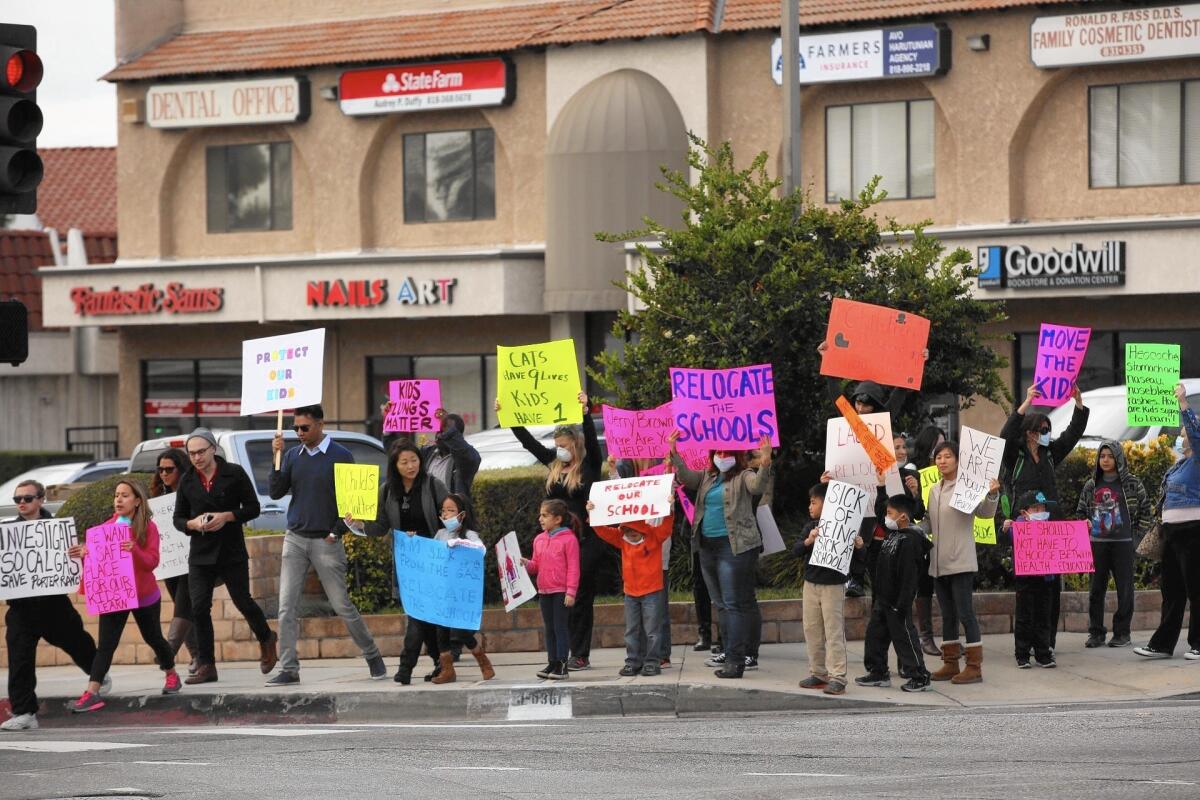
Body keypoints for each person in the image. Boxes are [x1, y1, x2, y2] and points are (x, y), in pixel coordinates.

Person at [268, 405, 386, 686]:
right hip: (295, 538)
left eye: (304, 428)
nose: (299, 433)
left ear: (321, 424)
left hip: (326, 540)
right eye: (295, 428)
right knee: (286, 607)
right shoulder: (293, 455)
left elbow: (353, 504)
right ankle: (289, 667)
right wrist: (278, 456)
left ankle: (372, 655)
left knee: (341, 604)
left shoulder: (341, 456)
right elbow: (275, 491)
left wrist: (336, 532)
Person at [497, 391, 604, 671]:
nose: (559, 449)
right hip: (556, 541)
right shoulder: (555, 464)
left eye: (564, 445)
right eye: (557, 445)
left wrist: (585, 411)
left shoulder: (589, 464)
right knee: (558, 599)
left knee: (579, 596)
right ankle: (559, 654)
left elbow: (593, 443)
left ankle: (580, 653)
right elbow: (528, 443)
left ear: (575, 444)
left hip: (584, 539)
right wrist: (507, 416)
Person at [1, 481, 109, 731]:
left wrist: (77, 552)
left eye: (27, 498)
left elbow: (82, 556)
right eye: (18, 499)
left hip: (53, 604)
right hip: (20, 607)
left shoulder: (59, 529)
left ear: (41, 500)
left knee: (77, 642)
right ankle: (24, 712)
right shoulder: (7, 534)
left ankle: (98, 675)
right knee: (19, 660)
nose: (22, 503)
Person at [173, 428, 277, 685]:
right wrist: (193, 524)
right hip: (200, 551)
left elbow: (253, 508)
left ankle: (266, 637)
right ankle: (207, 664)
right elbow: (178, 519)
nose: (196, 457)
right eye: (192, 453)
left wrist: (227, 516)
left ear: (213, 450)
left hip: (230, 549)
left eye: (201, 452)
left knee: (243, 600)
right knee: (198, 607)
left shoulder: (234, 473)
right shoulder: (187, 480)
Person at [68, 479, 181, 713]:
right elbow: (97, 563)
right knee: (106, 645)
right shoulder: (106, 528)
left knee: (154, 639)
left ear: (138, 501)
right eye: (117, 495)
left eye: (125, 495)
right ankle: (92, 692)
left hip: (144, 596)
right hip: (115, 595)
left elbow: (152, 562)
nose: (118, 499)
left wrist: (135, 550)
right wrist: (84, 553)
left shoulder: (148, 528)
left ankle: (171, 673)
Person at [669, 432, 773, 679]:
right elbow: (687, 478)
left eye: (726, 453)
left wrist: (766, 461)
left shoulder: (744, 475)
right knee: (723, 604)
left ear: (736, 456)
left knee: (735, 603)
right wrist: (674, 452)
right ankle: (730, 651)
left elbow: (758, 485)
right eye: (717, 452)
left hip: (734, 547)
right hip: (707, 547)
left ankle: (737, 661)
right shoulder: (708, 476)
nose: (721, 457)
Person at [348, 438, 448, 684]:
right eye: (404, 462)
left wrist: (427, 536)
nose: (411, 466)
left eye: (414, 460)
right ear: (395, 465)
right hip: (407, 561)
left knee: (418, 613)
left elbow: (450, 517)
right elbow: (381, 527)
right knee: (422, 614)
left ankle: (406, 668)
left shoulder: (433, 485)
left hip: (433, 557)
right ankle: (441, 662)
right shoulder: (387, 490)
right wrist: (359, 525)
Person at [1000, 384, 1090, 652]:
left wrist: (1079, 404)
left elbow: (1073, 434)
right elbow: (1005, 435)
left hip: (1051, 528)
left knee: (1051, 589)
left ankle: (1046, 643)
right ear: (1029, 433)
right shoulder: (1014, 455)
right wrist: (1026, 401)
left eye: (1048, 429)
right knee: (1027, 591)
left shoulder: (1051, 454)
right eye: (1042, 430)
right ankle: (1024, 645)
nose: (1047, 434)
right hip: (1026, 529)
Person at [923, 440, 1001, 684]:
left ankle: (974, 666)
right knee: (947, 615)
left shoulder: (967, 485)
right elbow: (929, 522)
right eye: (939, 457)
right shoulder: (934, 489)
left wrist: (992, 494)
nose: (942, 461)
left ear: (958, 460)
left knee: (966, 614)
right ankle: (950, 663)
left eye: (947, 456)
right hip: (938, 562)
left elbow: (985, 514)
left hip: (961, 562)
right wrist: (909, 528)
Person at [1136, 384, 1200, 660]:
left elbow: (1196, 433)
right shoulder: (1178, 466)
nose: (1180, 436)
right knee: (1172, 590)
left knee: (1196, 588)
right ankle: (1163, 644)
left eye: (1183, 433)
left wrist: (1183, 403)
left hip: (1194, 531)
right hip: (1173, 533)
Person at [1075, 440, 1152, 649]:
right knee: (1095, 590)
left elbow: (1147, 512)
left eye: (1109, 456)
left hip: (1123, 545)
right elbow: (1081, 512)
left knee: (1125, 590)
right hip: (1097, 545)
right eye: (1102, 456)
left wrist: (1135, 538)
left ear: (1118, 458)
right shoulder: (1091, 485)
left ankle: (1122, 632)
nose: (1105, 460)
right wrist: (1085, 523)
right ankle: (1096, 632)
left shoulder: (1132, 483)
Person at [856, 492, 933, 693]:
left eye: (890, 513)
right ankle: (878, 671)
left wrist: (902, 602)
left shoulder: (911, 541)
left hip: (898, 601)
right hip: (883, 598)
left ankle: (919, 675)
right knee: (876, 635)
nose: (886, 517)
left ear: (903, 517)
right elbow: (880, 564)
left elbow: (909, 576)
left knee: (904, 638)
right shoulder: (892, 536)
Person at [590, 501, 672, 677]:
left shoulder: (654, 537)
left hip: (651, 591)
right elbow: (602, 531)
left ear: (643, 528)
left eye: (635, 532)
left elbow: (666, 526)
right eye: (628, 531)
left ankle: (652, 662)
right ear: (623, 530)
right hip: (631, 593)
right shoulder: (622, 539)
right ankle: (633, 661)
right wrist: (592, 514)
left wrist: (670, 509)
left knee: (652, 631)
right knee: (631, 630)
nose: (632, 535)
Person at [794, 483, 862, 696]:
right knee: (811, 629)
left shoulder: (845, 525)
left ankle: (838, 677)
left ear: (828, 503)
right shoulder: (811, 526)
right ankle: (818, 673)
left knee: (833, 632)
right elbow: (796, 550)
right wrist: (809, 540)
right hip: (811, 584)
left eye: (814, 502)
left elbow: (860, 560)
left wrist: (859, 546)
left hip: (833, 585)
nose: (810, 506)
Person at [429, 493, 494, 683]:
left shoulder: (469, 535)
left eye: (451, 510)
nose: (446, 514)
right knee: (441, 631)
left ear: (462, 514)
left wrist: (459, 544)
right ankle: (447, 670)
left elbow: (480, 550)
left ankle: (483, 661)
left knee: (462, 631)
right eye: (443, 511)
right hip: (442, 591)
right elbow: (430, 555)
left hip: (461, 594)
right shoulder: (440, 535)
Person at [150, 448, 200, 675]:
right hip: (169, 561)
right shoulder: (157, 499)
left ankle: (168, 650)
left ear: (180, 469)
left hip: (192, 559)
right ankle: (198, 656)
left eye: (169, 469)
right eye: (160, 469)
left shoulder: (192, 491)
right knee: (186, 609)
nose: (163, 474)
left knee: (183, 604)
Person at [522, 499, 581, 680]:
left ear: (557, 519)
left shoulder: (569, 540)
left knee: (560, 627)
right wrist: (526, 564)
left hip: (561, 591)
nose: (540, 518)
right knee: (549, 628)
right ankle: (552, 661)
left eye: (545, 515)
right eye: (540, 514)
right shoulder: (539, 539)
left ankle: (562, 663)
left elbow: (573, 568)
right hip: (544, 591)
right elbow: (536, 566)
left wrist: (571, 592)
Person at [1003, 491, 1059, 669]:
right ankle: (1022, 654)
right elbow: (1007, 537)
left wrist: (1085, 527)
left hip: (1046, 578)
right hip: (1025, 579)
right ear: (1023, 512)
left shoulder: (1050, 526)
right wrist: (1005, 528)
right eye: (1035, 508)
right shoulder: (1017, 527)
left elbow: (1068, 538)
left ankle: (1043, 653)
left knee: (1044, 616)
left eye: (1042, 507)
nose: (1040, 510)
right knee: (1024, 617)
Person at [908, 424, 946, 656]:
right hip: (920, 536)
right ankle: (925, 636)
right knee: (924, 585)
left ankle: (946, 639)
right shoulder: (913, 470)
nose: (940, 451)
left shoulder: (944, 471)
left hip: (941, 536)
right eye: (937, 445)